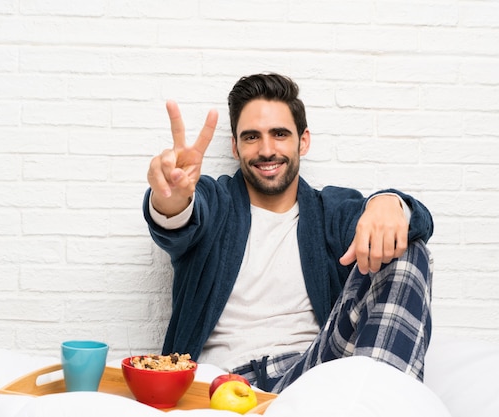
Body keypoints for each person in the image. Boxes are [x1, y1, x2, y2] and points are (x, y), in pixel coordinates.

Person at [143, 73, 434, 393]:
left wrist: (387, 203)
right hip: (223, 384)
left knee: (406, 247)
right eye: (251, 137)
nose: (267, 150)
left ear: (303, 140)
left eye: (279, 134)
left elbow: (413, 221)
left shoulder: (330, 210)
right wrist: (170, 195)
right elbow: (177, 220)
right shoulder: (215, 203)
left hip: (310, 374)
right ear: (235, 148)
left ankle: (381, 402)